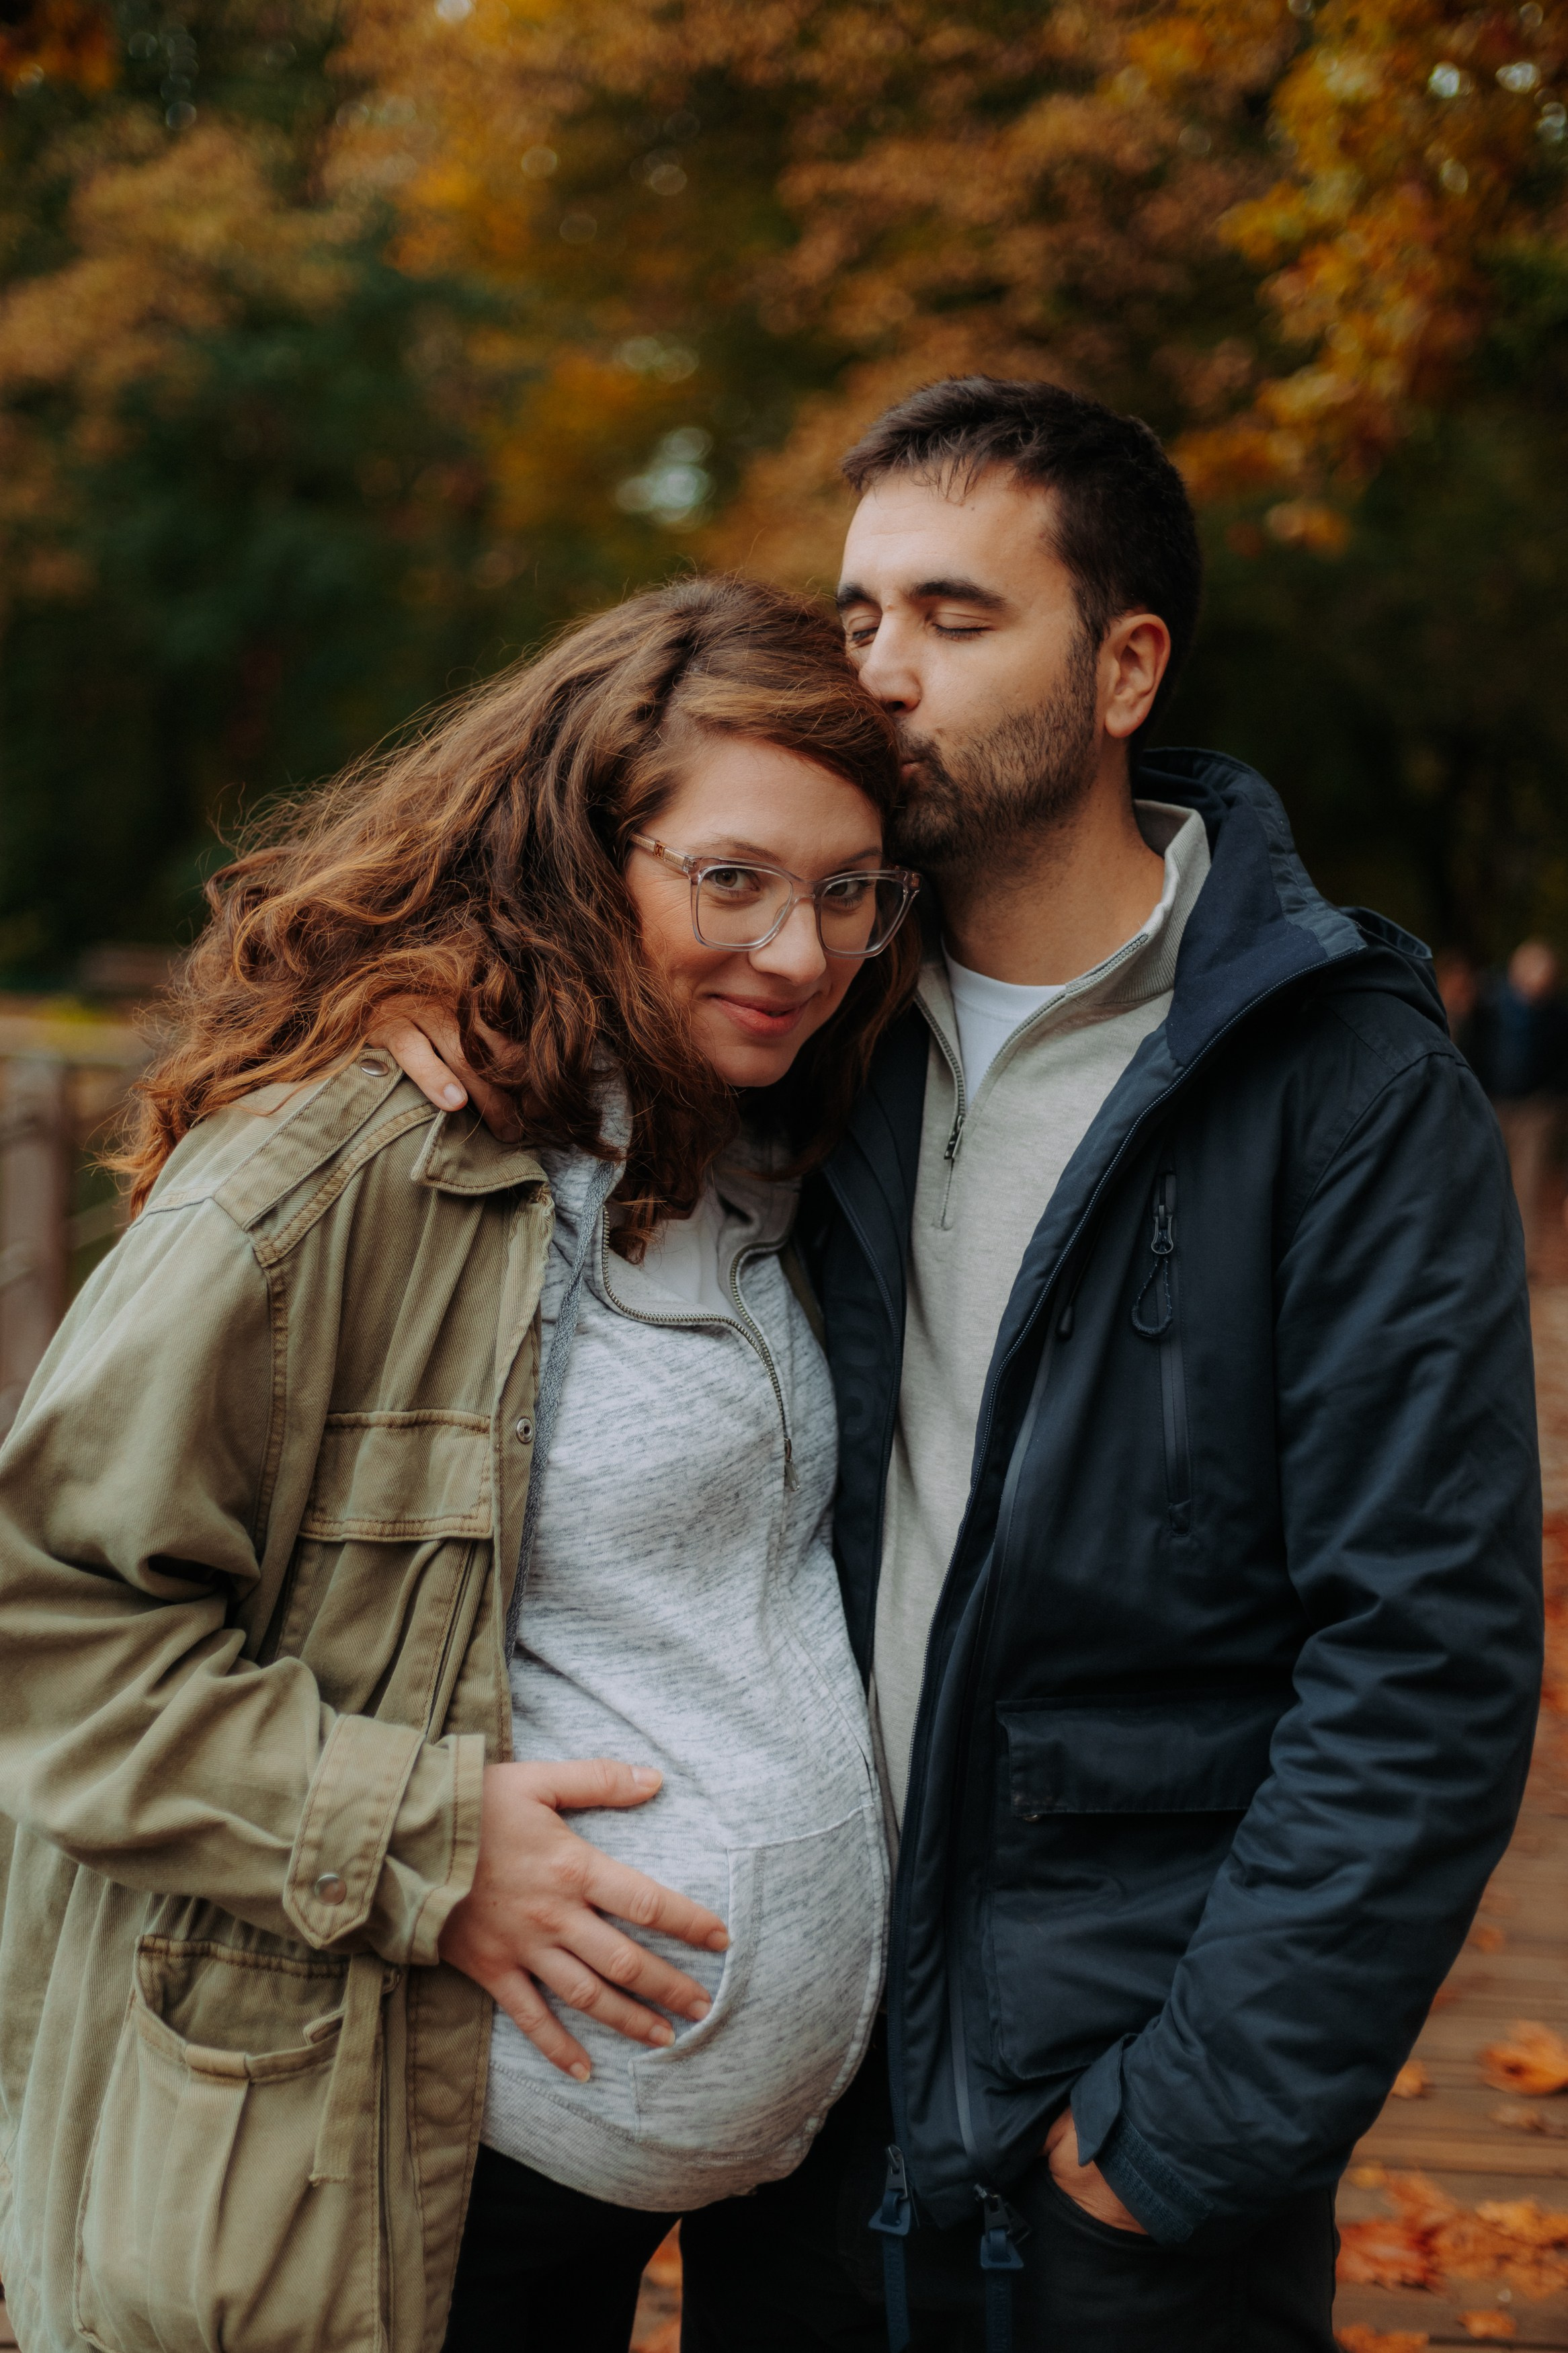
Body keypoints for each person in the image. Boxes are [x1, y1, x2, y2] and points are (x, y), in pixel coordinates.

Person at [384, 379, 1543, 2352]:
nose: (880, 672)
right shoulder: (808, 1015)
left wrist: (1181, 2132)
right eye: (854, 618)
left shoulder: (1333, 1078)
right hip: (799, 2121)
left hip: (1116, 2146)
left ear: (1123, 665)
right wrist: (450, 1015)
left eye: (951, 614)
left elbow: (1422, 1653)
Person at [0, 577, 925, 2353]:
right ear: (584, 852)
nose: (798, 950)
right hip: (387, 2164)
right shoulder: (346, 1164)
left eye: (845, 890)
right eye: (728, 877)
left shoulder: (759, 1145)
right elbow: (47, 1618)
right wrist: (426, 1839)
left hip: (694, 2192)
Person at [1460, 938, 1568, 1273]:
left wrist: (1552, 1098)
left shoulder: (1557, 1015)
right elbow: (1469, 1045)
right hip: (1492, 1103)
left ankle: (1521, 1262)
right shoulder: (1489, 1006)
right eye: (1533, 971)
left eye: (1545, 974)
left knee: (1528, 1183)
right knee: (1486, 1180)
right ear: (1516, 971)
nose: (1538, 980)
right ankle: (1480, 1257)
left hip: (1536, 1110)